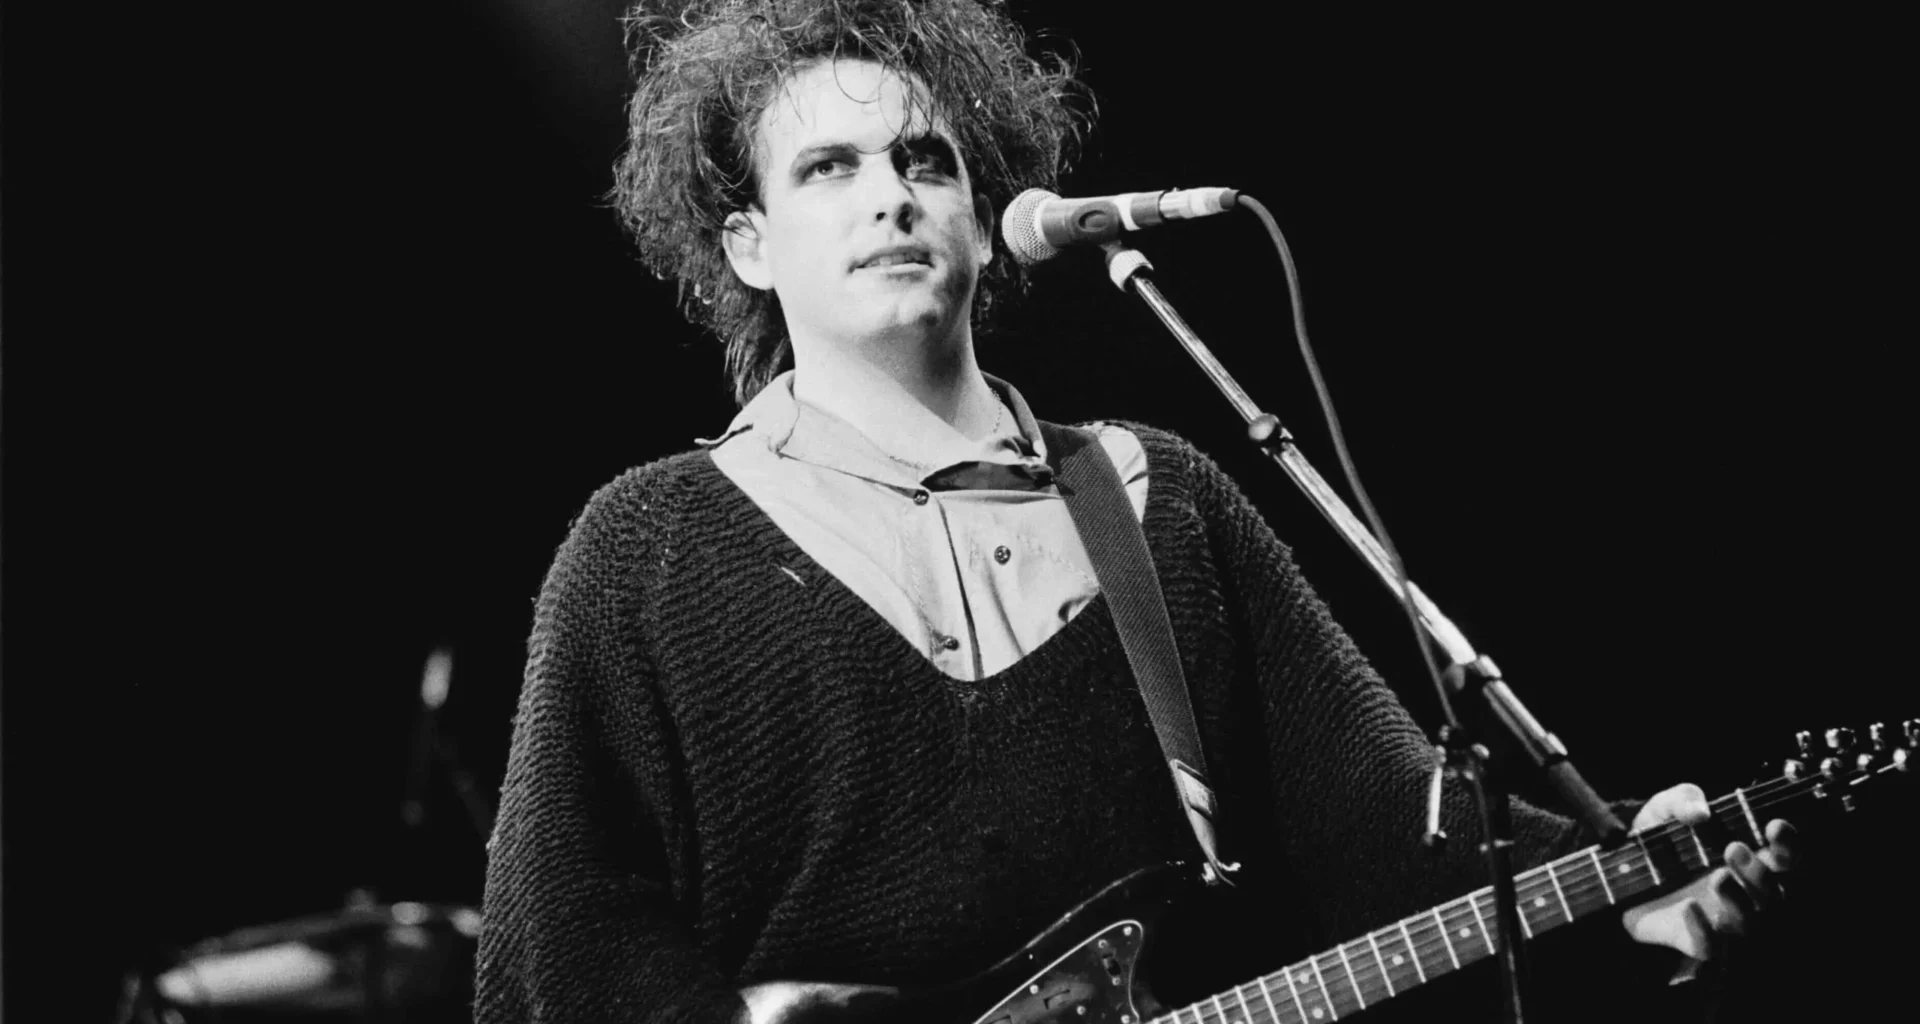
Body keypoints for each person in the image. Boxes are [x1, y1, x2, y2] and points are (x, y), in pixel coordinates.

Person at [475, 2, 1795, 1021]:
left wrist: (1616, 886)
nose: (890, 193)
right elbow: (567, 960)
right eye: (827, 167)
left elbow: (1391, 835)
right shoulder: (645, 551)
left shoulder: (1155, 501)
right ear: (748, 242)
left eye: (924, 159)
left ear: (984, 221)